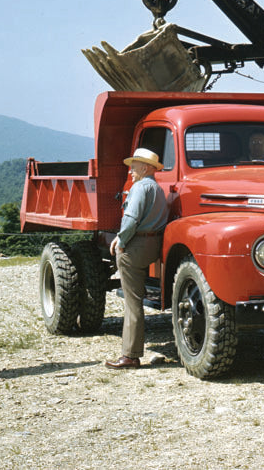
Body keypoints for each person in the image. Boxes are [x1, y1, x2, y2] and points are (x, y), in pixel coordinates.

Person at [105, 147, 168, 369]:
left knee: (132, 303)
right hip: (153, 245)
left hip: (136, 245)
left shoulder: (140, 188)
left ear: (145, 167)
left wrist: (120, 241)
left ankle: (130, 356)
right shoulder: (158, 189)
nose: (130, 171)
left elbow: (131, 219)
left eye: (134, 166)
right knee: (137, 301)